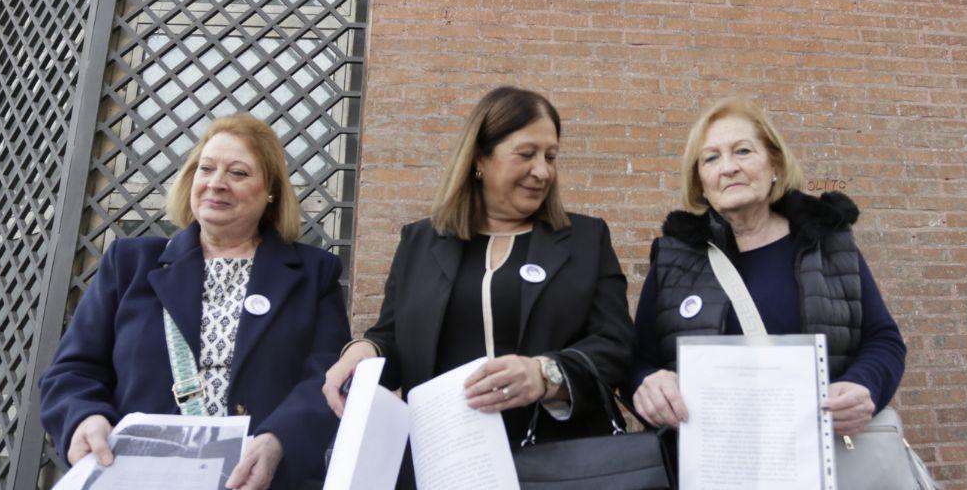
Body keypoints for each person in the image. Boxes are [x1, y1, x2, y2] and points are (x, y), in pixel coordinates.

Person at [322, 86, 633, 484]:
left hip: (561, 465)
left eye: (551, 157)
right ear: (479, 159)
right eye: (526, 154)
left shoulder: (586, 240)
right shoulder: (420, 242)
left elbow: (616, 344)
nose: (543, 171)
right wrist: (364, 352)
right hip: (447, 466)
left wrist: (547, 374)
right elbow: (393, 338)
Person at [40, 114, 349, 490]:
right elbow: (72, 371)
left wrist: (279, 440)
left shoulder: (314, 274)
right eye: (206, 168)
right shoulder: (129, 263)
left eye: (238, 173)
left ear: (270, 191)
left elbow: (326, 379)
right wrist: (84, 417)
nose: (216, 183)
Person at [630, 97, 907, 440]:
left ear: (774, 163)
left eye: (743, 151)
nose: (728, 167)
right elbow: (638, 360)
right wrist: (647, 383)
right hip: (713, 457)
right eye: (711, 158)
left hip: (821, 452)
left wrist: (863, 384)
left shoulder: (826, 241)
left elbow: (884, 339)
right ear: (700, 181)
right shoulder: (674, 259)